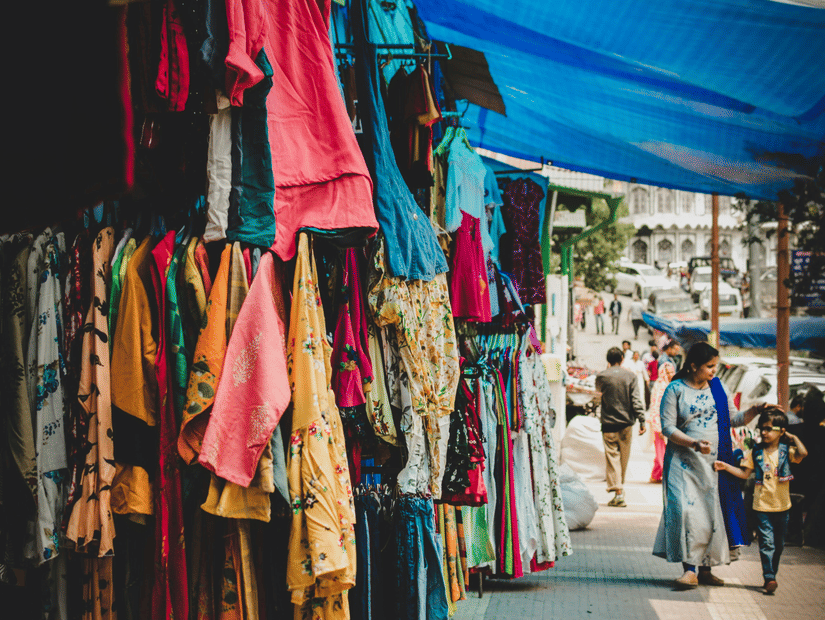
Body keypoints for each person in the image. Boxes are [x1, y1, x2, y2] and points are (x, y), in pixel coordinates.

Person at [652, 342, 760, 590]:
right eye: (710, 366)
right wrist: (692, 443)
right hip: (682, 463)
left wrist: (755, 410)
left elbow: (734, 418)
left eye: (715, 366)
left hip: (714, 465)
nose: (714, 371)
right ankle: (689, 569)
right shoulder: (675, 389)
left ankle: (706, 568)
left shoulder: (718, 388)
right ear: (693, 365)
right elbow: (668, 427)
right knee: (686, 513)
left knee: (710, 514)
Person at [714, 408, 807, 594]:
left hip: (782, 506)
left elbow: (803, 453)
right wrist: (725, 466)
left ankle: (772, 573)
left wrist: (792, 437)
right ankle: (769, 577)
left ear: (781, 431)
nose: (764, 432)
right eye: (761, 428)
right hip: (761, 506)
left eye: (769, 429)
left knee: (779, 546)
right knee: (767, 544)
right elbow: (743, 473)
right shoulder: (755, 452)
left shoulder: (786, 452)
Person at [595, 347, 646, 508]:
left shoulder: (602, 376)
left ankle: (618, 491)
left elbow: (598, 391)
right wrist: (642, 420)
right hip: (626, 424)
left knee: (612, 458)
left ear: (608, 360)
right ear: (622, 359)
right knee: (623, 459)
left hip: (609, 423)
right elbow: (636, 399)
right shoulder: (630, 376)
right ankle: (619, 491)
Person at [647, 361, 676, 482]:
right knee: (662, 453)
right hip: (660, 425)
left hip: (669, 425)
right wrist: (659, 427)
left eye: (672, 372)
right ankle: (669, 476)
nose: (670, 374)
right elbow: (656, 408)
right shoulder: (661, 387)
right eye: (667, 372)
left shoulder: (671, 385)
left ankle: (655, 476)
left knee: (663, 451)